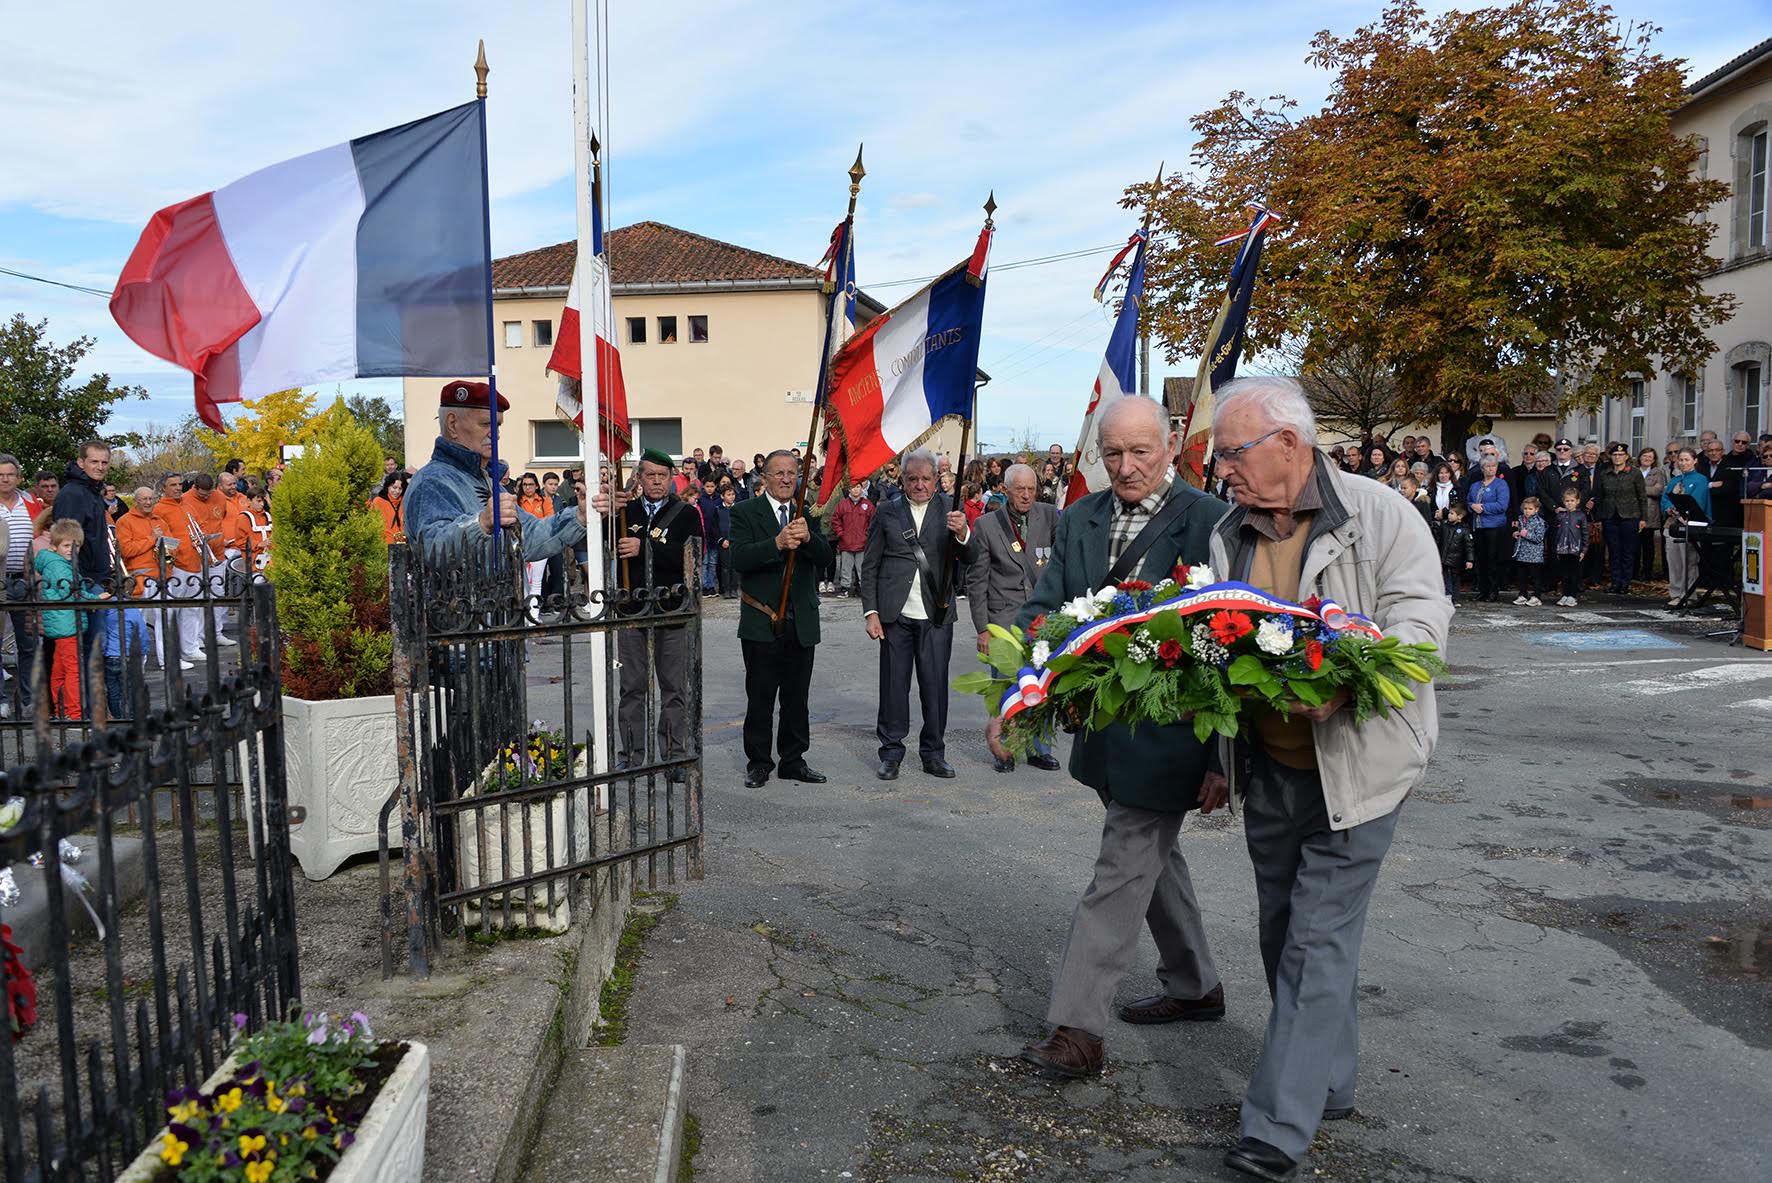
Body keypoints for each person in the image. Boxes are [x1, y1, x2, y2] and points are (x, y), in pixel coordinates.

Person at [1201, 377, 1450, 1182]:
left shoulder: (1381, 515)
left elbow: (1422, 626)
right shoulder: (1226, 533)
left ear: (1287, 444)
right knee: (1286, 932)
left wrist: (1354, 675)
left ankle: (1277, 1125)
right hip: (1271, 766)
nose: (1221, 467)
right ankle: (1330, 1077)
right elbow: (1218, 636)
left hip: (1361, 769)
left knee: (1315, 938)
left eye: (1231, 452)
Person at [1015, 397, 1229, 1080]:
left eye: (1139, 452)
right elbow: (1043, 606)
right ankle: (1196, 984)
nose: (1126, 466)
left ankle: (1078, 1029)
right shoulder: (1081, 517)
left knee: (1120, 867)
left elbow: (1232, 641)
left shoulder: (1210, 520)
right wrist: (1037, 654)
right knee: (1152, 858)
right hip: (1102, 733)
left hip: (1174, 736)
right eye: (1112, 453)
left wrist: (1224, 757)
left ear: (1169, 444)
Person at [860, 448, 971, 780]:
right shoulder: (886, 512)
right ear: (902, 479)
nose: (919, 485)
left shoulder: (952, 510)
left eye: (926, 478)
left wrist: (963, 533)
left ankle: (933, 753)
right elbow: (870, 566)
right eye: (913, 479)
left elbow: (971, 559)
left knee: (935, 688)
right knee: (894, 687)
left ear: (936, 478)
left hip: (937, 615)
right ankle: (891, 753)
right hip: (895, 615)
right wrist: (871, 612)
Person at [732, 450, 834, 788]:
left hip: (801, 619)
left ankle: (793, 760)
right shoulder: (746, 511)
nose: (787, 479)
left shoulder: (808, 513)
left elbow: (826, 555)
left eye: (792, 473)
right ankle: (759, 762)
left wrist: (808, 539)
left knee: (797, 698)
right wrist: (775, 543)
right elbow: (739, 558)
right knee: (760, 696)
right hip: (762, 620)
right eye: (779, 473)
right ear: (764, 477)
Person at [403, 382, 588, 563]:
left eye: (497, 425)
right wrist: (481, 523)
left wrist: (579, 516)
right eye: (486, 424)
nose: (495, 434)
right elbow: (430, 550)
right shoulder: (431, 482)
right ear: (452, 425)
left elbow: (529, 536)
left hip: (505, 594)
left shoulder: (489, 481)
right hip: (461, 595)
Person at [608, 449, 698, 780]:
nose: (657, 481)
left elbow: (691, 557)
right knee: (632, 688)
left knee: (674, 687)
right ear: (639, 478)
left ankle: (673, 756)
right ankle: (631, 757)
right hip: (632, 610)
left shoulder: (685, 513)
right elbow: (600, 541)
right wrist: (605, 507)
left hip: (671, 611)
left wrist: (645, 547)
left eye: (663, 475)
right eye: (650, 475)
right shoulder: (624, 512)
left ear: (672, 478)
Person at [964, 463, 1059, 774]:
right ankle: (1003, 749)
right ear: (1005, 490)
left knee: (1041, 685)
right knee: (1005, 687)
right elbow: (977, 581)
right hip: (1002, 620)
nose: (1027, 495)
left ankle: (1038, 749)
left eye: (1032, 489)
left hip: (1042, 620)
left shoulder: (1048, 515)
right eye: (1020, 489)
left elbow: (1062, 560)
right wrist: (982, 629)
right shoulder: (987, 525)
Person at [36, 519, 91, 719]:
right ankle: (73, 713)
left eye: (75, 546)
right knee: (73, 671)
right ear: (54, 545)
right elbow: (73, 591)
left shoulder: (53, 563)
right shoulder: (59, 566)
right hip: (67, 624)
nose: (71, 550)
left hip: (60, 625)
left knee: (59, 670)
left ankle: (60, 711)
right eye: (67, 545)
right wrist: (95, 598)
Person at [1592, 443, 1647, 595]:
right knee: (1614, 551)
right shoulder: (1605, 473)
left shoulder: (1634, 473)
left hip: (1630, 516)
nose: (1617, 458)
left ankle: (1625, 582)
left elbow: (1642, 497)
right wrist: (1599, 518)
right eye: (1615, 455)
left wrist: (1643, 518)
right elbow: (1600, 496)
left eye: (1621, 455)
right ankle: (1615, 581)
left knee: (1627, 551)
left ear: (1626, 457)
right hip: (1610, 516)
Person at [1662, 447, 1710, 606]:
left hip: (1690, 526)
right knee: (1674, 562)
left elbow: (1697, 501)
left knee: (1689, 562)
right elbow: (1665, 499)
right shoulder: (1675, 480)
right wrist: (1669, 509)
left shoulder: (1700, 479)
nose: (1683, 463)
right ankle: (1676, 594)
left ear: (1695, 461)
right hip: (1673, 525)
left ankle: (1688, 594)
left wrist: (1681, 511)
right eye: (1681, 460)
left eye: (1686, 460)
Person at [1466, 457, 1510, 602]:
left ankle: (1493, 590)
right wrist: (1472, 506)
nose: (1490, 468)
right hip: (1478, 526)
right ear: (1482, 468)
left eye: (1493, 466)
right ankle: (1482, 589)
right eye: (1487, 466)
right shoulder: (1475, 485)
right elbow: (1468, 501)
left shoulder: (1501, 484)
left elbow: (1502, 505)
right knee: (1481, 559)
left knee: (1493, 559)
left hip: (1494, 527)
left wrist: (1483, 508)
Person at [830, 482, 875, 597]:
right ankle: (845, 588)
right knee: (845, 567)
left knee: (862, 568)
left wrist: (867, 536)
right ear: (849, 489)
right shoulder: (842, 504)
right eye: (853, 487)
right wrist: (841, 533)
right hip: (846, 542)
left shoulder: (868, 505)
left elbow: (873, 522)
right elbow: (836, 520)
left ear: (862, 488)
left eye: (858, 487)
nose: (855, 490)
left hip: (862, 543)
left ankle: (863, 588)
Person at [1552, 488, 1590, 607]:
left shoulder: (1581, 516)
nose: (1569, 503)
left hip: (1575, 549)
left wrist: (1584, 550)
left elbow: (1585, 533)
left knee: (1574, 573)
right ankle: (1565, 594)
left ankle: (1572, 596)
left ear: (1577, 501)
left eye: (1572, 500)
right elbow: (1556, 532)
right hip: (1562, 548)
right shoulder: (1560, 515)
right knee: (1564, 573)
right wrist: (1556, 548)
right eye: (1567, 501)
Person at [1511, 496, 1548, 605]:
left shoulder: (1539, 522)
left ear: (1536, 510)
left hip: (1534, 555)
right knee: (1522, 576)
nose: (1527, 511)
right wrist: (1516, 534)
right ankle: (1522, 595)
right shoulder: (1520, 519)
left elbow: (1539, 538)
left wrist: (1525, 534)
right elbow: (1519, 531)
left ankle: (1537, 596)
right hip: (1521, 553)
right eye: (1525, 508)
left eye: (1530, 509)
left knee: (1536, 576)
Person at [1439, 504, 1474, 602]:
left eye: (1452, 513)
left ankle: (1455, 598)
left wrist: (1469, 560)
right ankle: (1448, 594)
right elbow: (1439, 541)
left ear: (1459, 516)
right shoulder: (1444, 526)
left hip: (1456, 559)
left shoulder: (1464, 529)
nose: (1449, 515)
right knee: (1445, 577)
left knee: (1456, 578)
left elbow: (1469, 546)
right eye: (1449, 513)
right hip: (1444, 557)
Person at [695, 479, 724, 595]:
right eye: (707, 486)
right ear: (704, 487)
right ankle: (704, 587)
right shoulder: (701, 499)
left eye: (712, 486)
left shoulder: (718, 499)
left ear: (715, 486)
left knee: (713, 562)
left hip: (715, 535)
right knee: (705, 562)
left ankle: (711, 586)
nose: (710, 489)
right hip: (704, 533)